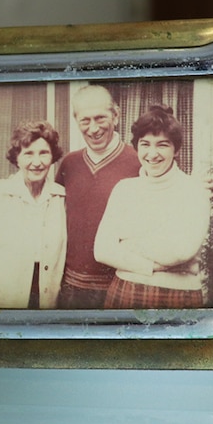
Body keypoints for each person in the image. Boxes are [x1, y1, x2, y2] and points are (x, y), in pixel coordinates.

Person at [94, 105, 211, 308]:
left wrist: (127, 245)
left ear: (176, 149)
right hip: (125, 290)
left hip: (178, 295)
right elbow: (102, 250)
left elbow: (180, 252)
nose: (152, 154)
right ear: (137, 147)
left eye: (162, 145)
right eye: (145, 144)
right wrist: (152, 265)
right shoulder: (124, 189)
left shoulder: (193, 190)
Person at [54, 85, 141, 309]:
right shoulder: (68, 164)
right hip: (70, 286)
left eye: (100, 118)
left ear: (116, 115)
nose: (93, 129)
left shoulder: (139, 163)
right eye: (85, 120)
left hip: (121, 284)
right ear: (76, 121)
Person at [0, 121, 67, 309]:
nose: (36, 162)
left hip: (42, 297)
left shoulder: (60, 197)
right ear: (17, 158)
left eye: (43, 153)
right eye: (28, 153)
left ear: (53, 157)